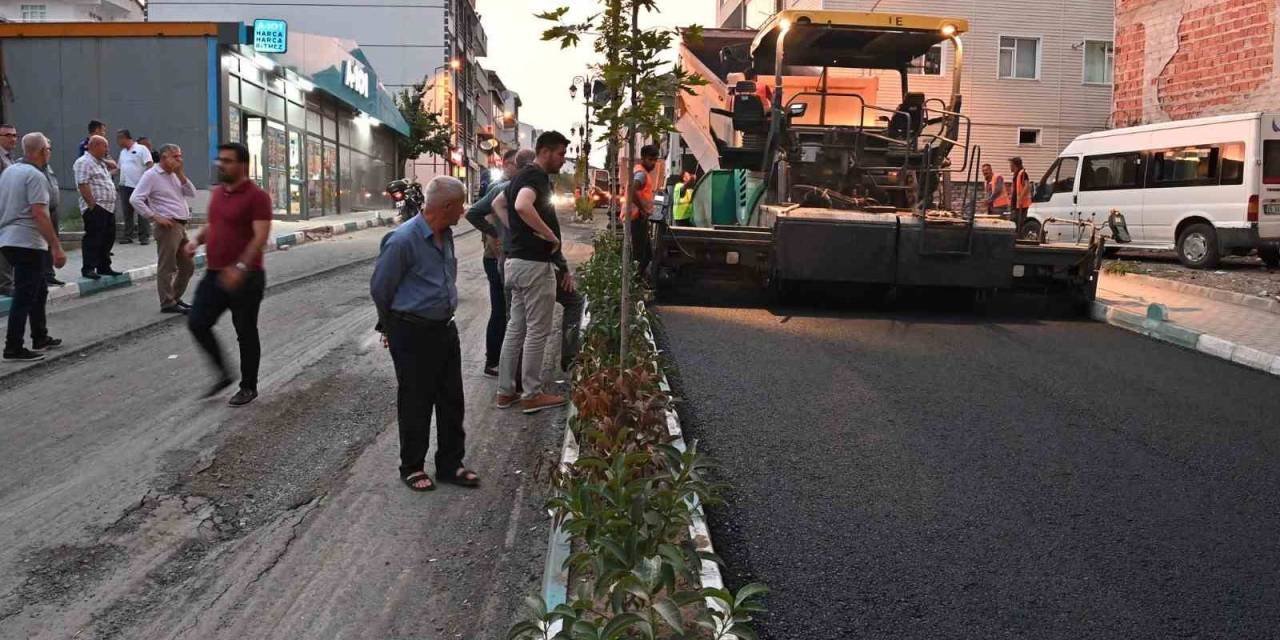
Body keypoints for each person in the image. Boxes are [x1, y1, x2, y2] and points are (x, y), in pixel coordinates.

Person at [371, 175, 480, 492]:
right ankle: (412, 466)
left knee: (451, 400)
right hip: (412, 331)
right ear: (446, 206)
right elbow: (381, 288)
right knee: (416, 400)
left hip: (445, 328)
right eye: (460, 206)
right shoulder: (402, 240)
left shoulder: (446, 236)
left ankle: (450, 464)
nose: (463, 212)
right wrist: (389, 326)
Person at [185, 142, 272, 407]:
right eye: (219, 160)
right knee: (197, 322)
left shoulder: (257, 197)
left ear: (242, 165)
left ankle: (248, 386)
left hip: (246, 277)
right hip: (214, 274)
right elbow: (214, 225)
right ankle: (223, 373)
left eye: (228, 160)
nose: (221, 164)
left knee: (245, 331)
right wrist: (195, 241)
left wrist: (241, 268)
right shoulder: (218, 193)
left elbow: (260, 237)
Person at [497, 131, 572, 414]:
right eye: (561, 154)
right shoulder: (535, 177)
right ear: (545, 152)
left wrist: (516, 232)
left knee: (516, 328)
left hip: (515, 263)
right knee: (538, 331)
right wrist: (549, 235)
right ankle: (531, 394)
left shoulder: (518, 176)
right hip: (533, 266)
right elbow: (521, 205)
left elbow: (498, 205)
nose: (563, 160)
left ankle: (505, 392)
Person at [0, 133, 67, 362]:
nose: (49, 152)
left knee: (38, 290)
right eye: (48, 148)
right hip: (27, 241)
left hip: (9, 239)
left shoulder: (10, 172)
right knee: (25, 295)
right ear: (41, 151)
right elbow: (39, 213)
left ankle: (40, 335)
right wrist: (56, 246)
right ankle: (13, 347)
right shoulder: (35, 176)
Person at [465, 149, 520, 377]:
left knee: (506, 311)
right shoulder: (501, 188)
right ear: (508, 164)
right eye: (519, 165)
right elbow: (473, 214)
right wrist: (495, 233)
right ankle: (494, 362)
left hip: (501, 257)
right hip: (496, 257)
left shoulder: (515, 187)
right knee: (501, 311)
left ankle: (501, 362)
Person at [131, 143, 196, 314]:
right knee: (167, 266)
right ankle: (167, 302)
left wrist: (181, 174)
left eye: (180, 156)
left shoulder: (174, 175)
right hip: (168, 226)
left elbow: (192, 193)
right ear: (164, 156)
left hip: (181, 225)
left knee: (188, 265)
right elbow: (135, 199)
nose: (179, 160)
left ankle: (174, 297)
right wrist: (154, 216)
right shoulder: (152, 175)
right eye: (176, 156)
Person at [73, 135, 122, 280]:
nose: (107, 149)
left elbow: (113, 169)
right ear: (94, 146)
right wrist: (92, 205)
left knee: (108, 238)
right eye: (104, 146)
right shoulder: (84, 162)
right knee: (93, 239)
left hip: (108, 207)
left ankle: (104, 266)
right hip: (96, 207)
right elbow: (82, 184)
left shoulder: (100, 162)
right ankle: (88, 268)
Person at [622, 144, 660, 281]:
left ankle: (639, 280)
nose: (654, 163)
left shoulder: (640, 172)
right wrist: (643, 209)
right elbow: (632, 190)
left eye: (656, 159)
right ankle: (633, 283)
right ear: (643, 158)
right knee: (639, 256)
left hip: (638, 219)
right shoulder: (641, 174)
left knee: (647, 254)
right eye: (651, 159)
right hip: (636, 218)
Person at [116, 129, 154, 245]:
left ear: (125, 138)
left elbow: (150, 164)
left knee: (142, 211)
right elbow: (119, 168)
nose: (117, 142)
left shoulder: (141, 149)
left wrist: (145, 180)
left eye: (119, 139)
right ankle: (128, 235)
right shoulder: (123, 152)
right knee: (127, 212)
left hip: (139, 185)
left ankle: (144, 236)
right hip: (125, 185)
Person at [0, 123, 18, 296]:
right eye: (7, 135)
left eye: (14, 135)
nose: (12, 139)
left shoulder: (10, 157)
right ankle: (5, 283)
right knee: (4, 245)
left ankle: (8, 280)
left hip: (9, 207)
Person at [1009, 157, 1033, 235]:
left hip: (1021, 205)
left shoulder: (1022, 173)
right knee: (1015, 223)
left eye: (1011, 165)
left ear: (1015, 165)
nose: (1010, 166)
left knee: (1019, 223)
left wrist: (1020, 198)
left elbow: (1027, 186)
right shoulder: (1016, 175)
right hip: (1016, 205)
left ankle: (1019, 237)